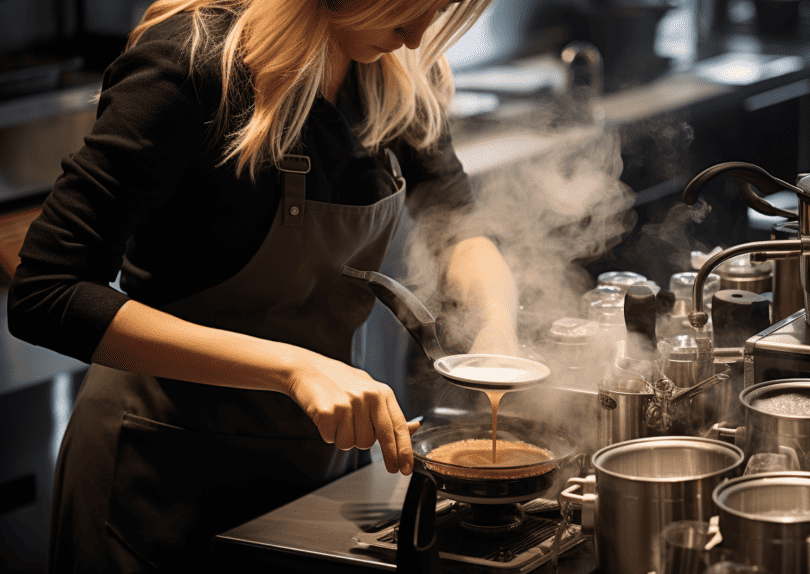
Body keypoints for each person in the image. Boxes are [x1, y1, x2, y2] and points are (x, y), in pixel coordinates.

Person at [7, 0, 519, 571]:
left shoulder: (395, 75)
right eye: (411, 7)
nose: (420, 36)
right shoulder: (192, 65)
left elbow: (459, 220)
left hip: (307, 473)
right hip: (158, 475)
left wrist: (497, 325)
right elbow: (47, 291)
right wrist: (293, 368)